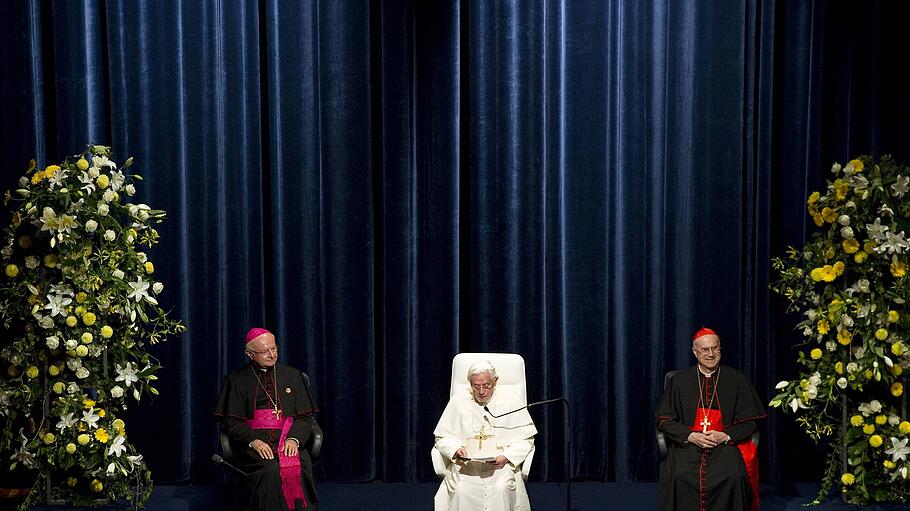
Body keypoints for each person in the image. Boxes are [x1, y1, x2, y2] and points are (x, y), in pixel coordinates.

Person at [656, 327, 766, 511]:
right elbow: (663, 420)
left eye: (715, 348)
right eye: (705, 349)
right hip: (688, 444)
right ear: (695, 352)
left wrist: (725, 435)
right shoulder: (680, 380)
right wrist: (690, 435)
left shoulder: (736, 379)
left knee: (734, 475)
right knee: (678, 474)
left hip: (724, 445)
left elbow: (753, 421)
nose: (711, 353)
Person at [214, 328, 319, 510]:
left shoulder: (293, 375)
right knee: (269, 470)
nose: (272, 355)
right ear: (249, 353)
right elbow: (232, 422)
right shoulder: (237, 379)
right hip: (254, 441)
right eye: (264, 351)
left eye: (274, 348)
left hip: (288, 437)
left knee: (299, 465)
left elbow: (304, 417)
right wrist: (252, 440)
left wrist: (294, 439)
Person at [432, 360, 537, 511]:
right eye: (476, 386)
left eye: (486, 385)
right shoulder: (458, 402)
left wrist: (507, 456)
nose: (481, 391)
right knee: (460, 489)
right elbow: (442, 438)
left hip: (500, 466)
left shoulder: (511, 401)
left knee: (502, 487)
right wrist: (455, 449)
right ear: (470, 384)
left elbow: (526, 440)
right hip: (467, 466)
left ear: (495, 382)